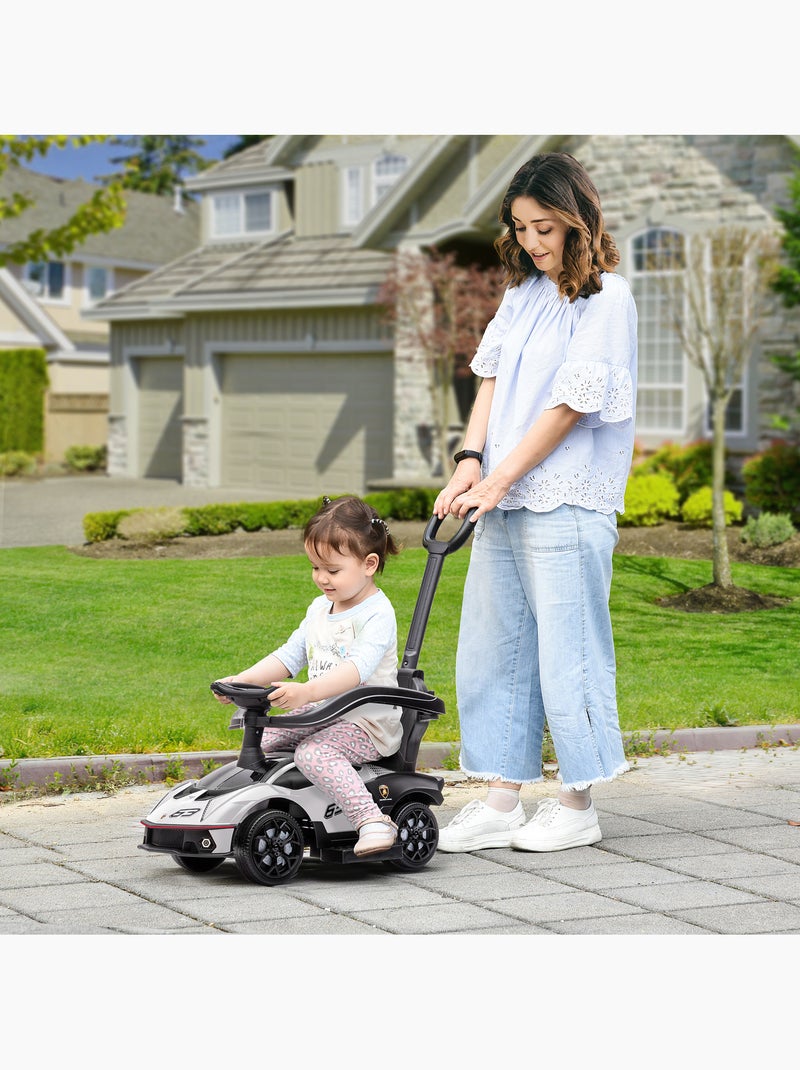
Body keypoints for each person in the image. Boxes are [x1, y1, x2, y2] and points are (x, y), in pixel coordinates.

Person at [433, 152, 638, 853]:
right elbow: (488, 382)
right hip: (504, 501)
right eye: (520, 228)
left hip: (568, 501)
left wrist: (497, 479)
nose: (532, 242)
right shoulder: (521, 296)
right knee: (495, 650)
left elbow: (569, 408)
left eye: (544, 227)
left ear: (579, 219)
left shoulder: (606, 299)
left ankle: (578, 802)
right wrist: (468, 463)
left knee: (568, 653)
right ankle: (500, 800)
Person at [213, 495, 402, 858]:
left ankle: (370, 820)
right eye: (315, 567)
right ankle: (261, 810)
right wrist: (244, 679)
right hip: (321, 714)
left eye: (332, 570)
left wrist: (308, 692)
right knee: (263, 738)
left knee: (314, 753)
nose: (321, 578)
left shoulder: (377, 614)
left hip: (365, 724)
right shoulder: (319, 608)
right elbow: (288, 656)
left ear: (369, 564)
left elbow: (356, 670)